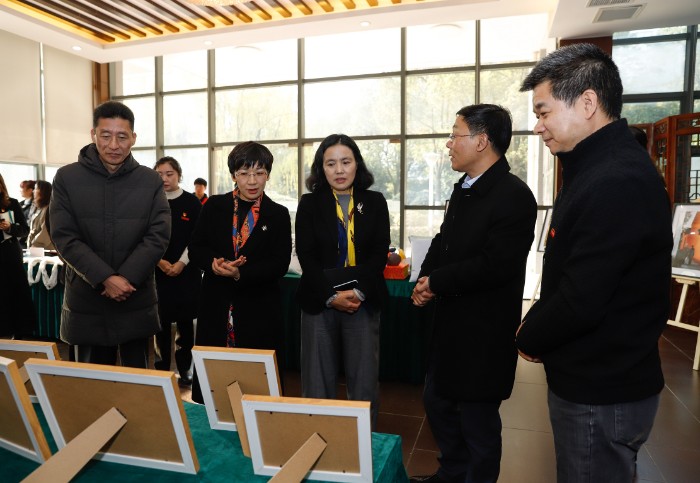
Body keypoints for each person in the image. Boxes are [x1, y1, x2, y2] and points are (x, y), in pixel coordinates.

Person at [516, 43, 672, 483]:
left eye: (544, 112)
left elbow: (582, 297)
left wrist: (529, 335)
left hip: (602, 390)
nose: (538, 127)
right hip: (598, 379)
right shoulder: (596, 166)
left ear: (587, 103)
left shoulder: (615, 179)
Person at [410, 105, 537, 483]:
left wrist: (437, 282)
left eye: (455, 135)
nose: (449, 144)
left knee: (478, 422)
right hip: (449, 326)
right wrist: (425, 278)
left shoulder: (513, 195)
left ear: (481, 141)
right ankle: (452, 473)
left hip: (483, 331)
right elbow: (444, 239)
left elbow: (495, 265)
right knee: (437, 402)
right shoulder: (464, 187)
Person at [49, 101, 171, 368]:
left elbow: (158, 234)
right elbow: (64, 236)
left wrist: (125, 278)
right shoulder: (67, 177)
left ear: (133, 138)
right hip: (87, 298)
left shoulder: (150, 180)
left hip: (134, 295)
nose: (113, 145)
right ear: (93, 134)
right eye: (106, 136)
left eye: (122, 137)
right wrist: (104, 278)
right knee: (90, 383)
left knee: (137, 382)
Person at [295, 134, 390, 427]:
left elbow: (379, 253)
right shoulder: (309, 203)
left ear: (356, 164)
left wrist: (358, 293)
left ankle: (363, 442)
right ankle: (319, 440)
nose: (339, 170)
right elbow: (306, 255)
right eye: (331, 163)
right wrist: (331, 296)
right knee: (317, 382)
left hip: (363, 300)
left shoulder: (375, 202)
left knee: (364, 383)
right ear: (321, 168)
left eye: (345, 162)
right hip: (319, 300)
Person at [188, 141, 291, 404]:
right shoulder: (214, 206)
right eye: (244, 173)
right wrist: (212, 264)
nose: (252, 181)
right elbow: (196, 248)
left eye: (259, 173)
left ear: (268, 174)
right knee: (214, 385)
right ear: (234, 175)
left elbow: (279, 264)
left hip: (258, 309)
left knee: (257, 389)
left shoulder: (278, 214)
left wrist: (239, 274)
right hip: (216, 304)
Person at [153, 156, 202, 385]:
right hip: (158, 270)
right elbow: (143, 236)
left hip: (186, 272)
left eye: (169, 174)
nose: (164, 178)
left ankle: (185, 369)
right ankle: (161, 369)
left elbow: (197, 238)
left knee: (185, 324)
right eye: (159, 174)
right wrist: (159, 261)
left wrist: (182, 262)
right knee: (160, 324)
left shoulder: (192, 202)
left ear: (179, 175)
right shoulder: (151, 201)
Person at [0, 173, 36, 338]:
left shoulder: (12, 203)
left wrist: (10, 227)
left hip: (10, 254)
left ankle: (20, 331)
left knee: (15, 292)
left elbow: (24, 230)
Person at [27, 180, 55, 250]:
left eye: (36, 188)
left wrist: (35, 245)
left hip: (45, 250)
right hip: (37, 248)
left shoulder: (49, 209)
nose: (33, 191)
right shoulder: (39, 208)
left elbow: (46, 231)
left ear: (43, 192)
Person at [19, 180, 36, 248]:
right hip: (20, 236)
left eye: (22, 188)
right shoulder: (20, 204)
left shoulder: (35, 205)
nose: (20, 190)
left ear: (30, 190)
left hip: (28, 238)